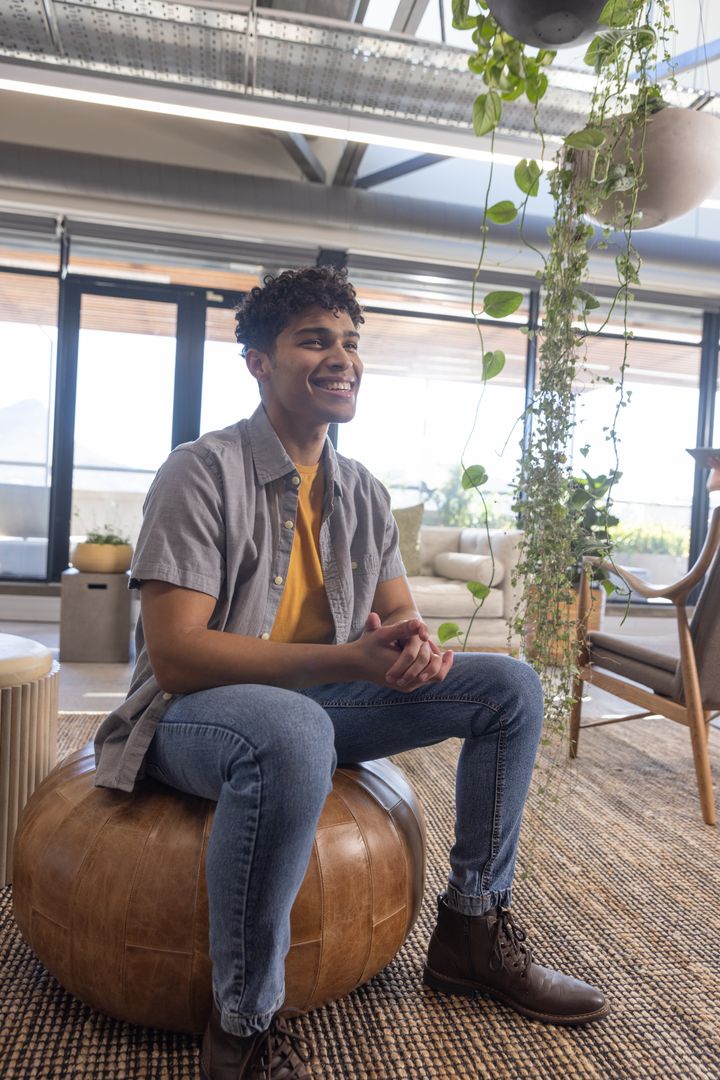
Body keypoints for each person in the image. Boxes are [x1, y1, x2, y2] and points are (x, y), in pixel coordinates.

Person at [94, 266, 610, 1080]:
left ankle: (472, 929)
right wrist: (345, 660)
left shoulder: (361, 491)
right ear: (259, 362)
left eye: (350, 342)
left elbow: (398, 621)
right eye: (314, 341)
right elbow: (178, 655)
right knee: (294, 728)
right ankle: (244, 1023)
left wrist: (420, 652)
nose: (341, 358)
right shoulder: (200, 472)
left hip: (319, 703)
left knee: (509, 687)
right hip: (190, 715)